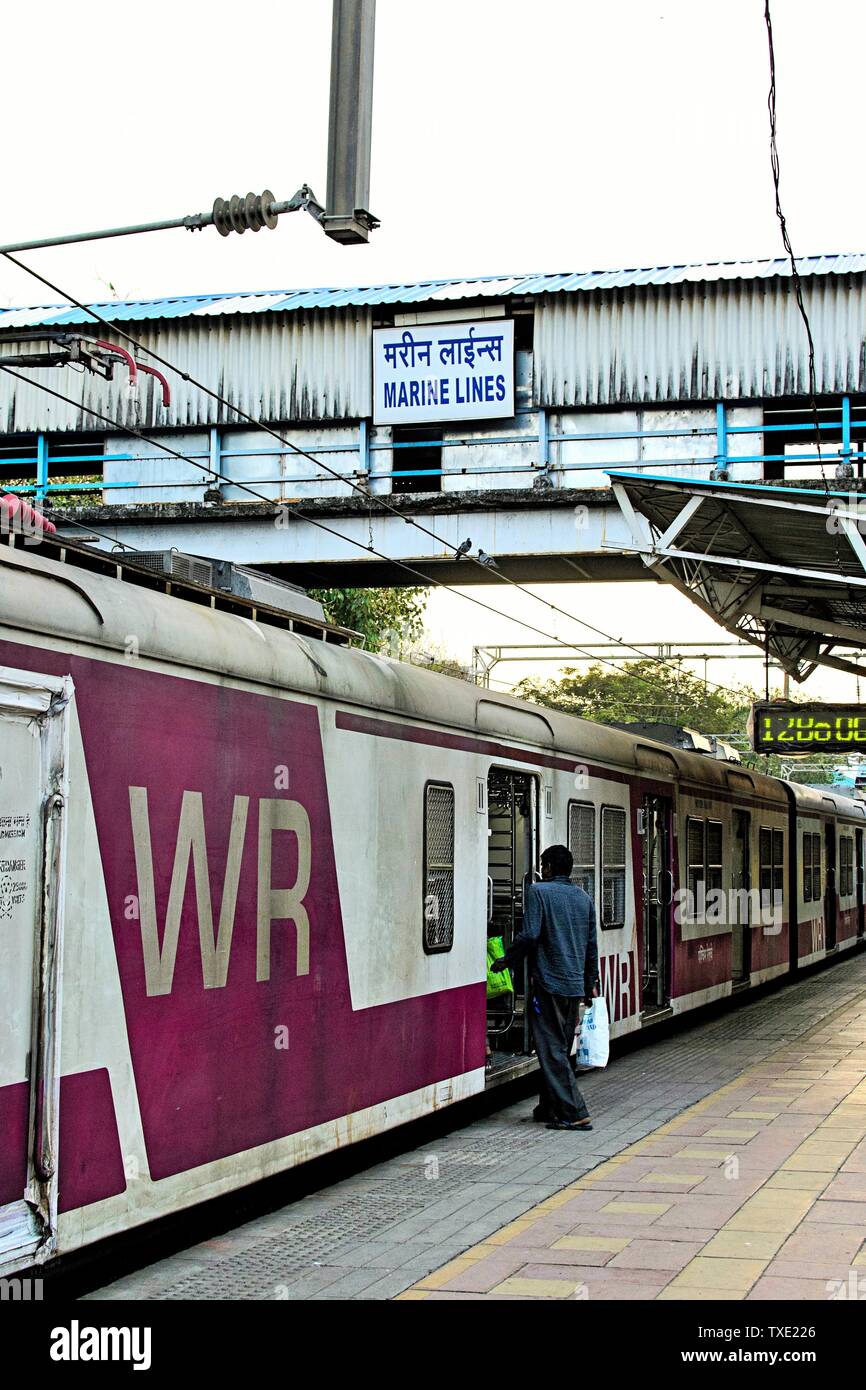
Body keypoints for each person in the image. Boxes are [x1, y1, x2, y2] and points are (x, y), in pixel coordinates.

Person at [492, 844, 599, 1131]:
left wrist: (507, 960)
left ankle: (574, 1112)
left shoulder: (538, 892)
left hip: (548, 983)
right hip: (574, 984)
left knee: (550, 1048)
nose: (541, 869)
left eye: (543, 864)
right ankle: (549, 1107)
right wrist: (591, 983)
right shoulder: (583, 898)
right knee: (561, 1048)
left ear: (549, 867)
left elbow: (529, 935)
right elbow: (591, 945)